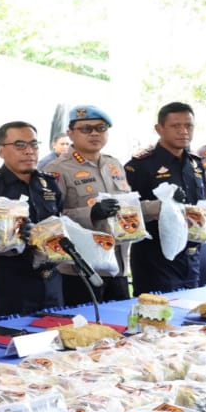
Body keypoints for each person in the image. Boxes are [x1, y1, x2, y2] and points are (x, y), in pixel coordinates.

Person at [44, 105, 131, 303]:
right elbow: (50, 219)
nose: (94, 133)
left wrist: (162, 206)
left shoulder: (114, 164)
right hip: (80, 270)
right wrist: (90, 213)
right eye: (85, 129)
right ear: (70, 134)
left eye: (101, 128)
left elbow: (129, 207)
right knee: (84, 321)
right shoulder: (57, 169)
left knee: (121, 321)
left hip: (117, 266)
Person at [0, 121, 64, 316]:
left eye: (33, 144)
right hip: (13, 282)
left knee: (56, 331)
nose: (29, 151)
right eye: (20, 145)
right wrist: (11, 235)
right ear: (1, 151)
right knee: (14, 334)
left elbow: (61, 220)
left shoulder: (49, 184)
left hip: (51, 280)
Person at [125, 102, 206, 293]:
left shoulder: (195, 164)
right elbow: (127, 211)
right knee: (157, 310)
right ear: (159, 129)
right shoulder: (140, 165)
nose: (183, 131)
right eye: (176, 126)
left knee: (191, 311)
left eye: (188, 126)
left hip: (191, 258)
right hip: (155, 261)